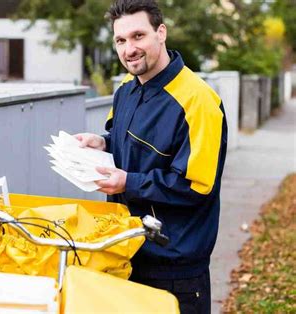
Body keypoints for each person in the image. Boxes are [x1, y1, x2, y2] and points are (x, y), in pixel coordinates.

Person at [75, 0, 227, 313]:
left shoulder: (199, 101)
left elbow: (196, 186)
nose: (129, 48)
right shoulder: (126, 89)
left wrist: (127, 183)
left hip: (174, 269)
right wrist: (103, 143)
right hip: (125, 254)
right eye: (120, 40)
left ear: (161, 32)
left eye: (138, 36)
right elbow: (124, 141)